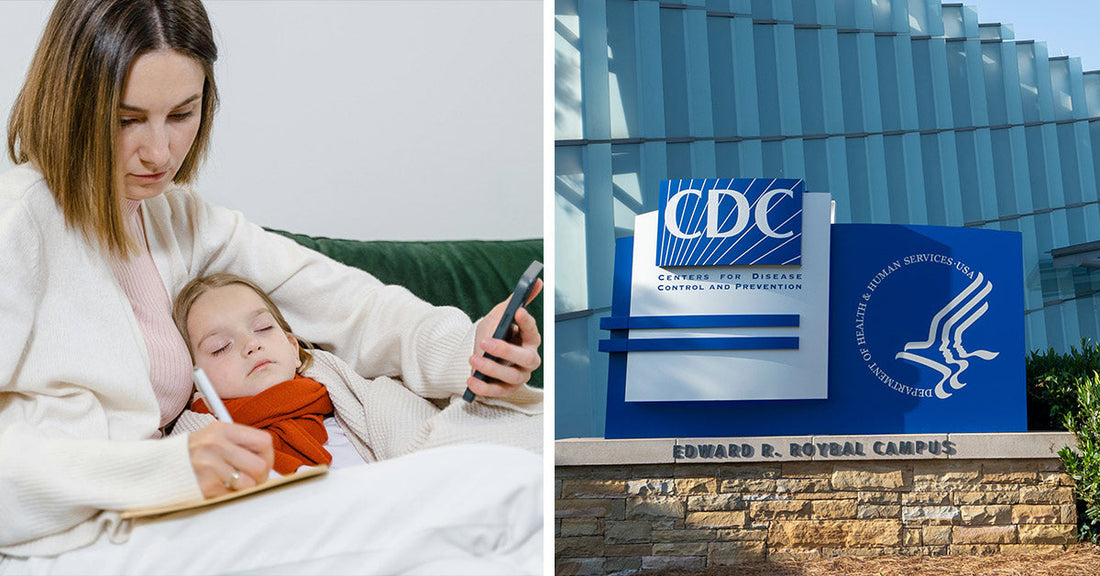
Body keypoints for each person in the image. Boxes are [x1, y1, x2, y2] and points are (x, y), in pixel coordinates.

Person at [0, 0, 542, 573]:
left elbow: (351, 305)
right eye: (125, 119)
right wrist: (168, 469)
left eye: (182, 113)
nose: (159, 153)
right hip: (77, 544)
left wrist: (471, 351)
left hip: (174, 520)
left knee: (498, 493)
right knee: (502, 490)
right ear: (70, 103)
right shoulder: (18, 225)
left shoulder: (177, 219)